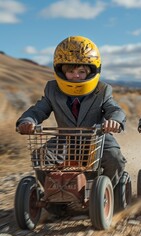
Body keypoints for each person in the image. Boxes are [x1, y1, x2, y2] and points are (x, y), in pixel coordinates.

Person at [16, 36, 127, 187]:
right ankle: (53, 194)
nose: (76, 75)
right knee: (40, 157)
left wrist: (115, 121)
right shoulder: (52, 90)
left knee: (115, 158)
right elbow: (38, 110)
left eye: (82, 71)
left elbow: (114, 109)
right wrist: (27, 121)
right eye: (70, 71)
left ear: (91, 71)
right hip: (65, 140)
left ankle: (106, 193)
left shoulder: (102, 90)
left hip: (97, 139)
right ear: (61, 71)